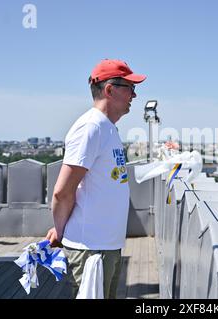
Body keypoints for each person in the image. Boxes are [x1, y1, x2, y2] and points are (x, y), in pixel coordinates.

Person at [46, 58, 146, 299]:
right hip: (91, 249)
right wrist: (60, 232)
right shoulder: (91, 128)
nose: (134, 95)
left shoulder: (108, 128)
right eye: (130, 88)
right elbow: (63, 191)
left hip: (106, 246)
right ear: (110, 90)